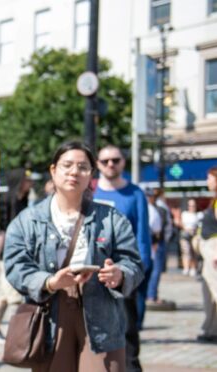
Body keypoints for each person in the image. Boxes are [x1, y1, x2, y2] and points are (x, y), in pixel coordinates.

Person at [4, 141, 144, 372]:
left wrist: (119, 274)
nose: (74, 172)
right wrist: (49, 282)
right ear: (53, 170)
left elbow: (134, 263)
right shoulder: (27, 220)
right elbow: (15, 265)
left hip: (102, 316)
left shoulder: (111, 218)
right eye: (67, 165)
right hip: (51, 314)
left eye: (82, 167)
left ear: (91, 175)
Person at [93, 144, 151, 372]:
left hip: (124, 273)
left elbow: (143, 236)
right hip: (94, 273)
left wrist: (139, 270)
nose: (110, 164)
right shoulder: (91, 192)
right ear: (97, 164)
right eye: (105, 160)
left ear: (123, 162)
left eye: (115, 160)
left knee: (127, 331)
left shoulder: (135, 193)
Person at [0, 168, 33, 340]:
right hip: (5, 253)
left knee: (5, 295)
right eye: (27, 179)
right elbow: (0, 229)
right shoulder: (6, 200)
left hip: (18, 251)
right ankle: (6, 331)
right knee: (12, 295)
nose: (30, 183)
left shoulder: (23, 200)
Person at [198, 166, 217, 343]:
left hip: (214, 250)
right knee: (209, 294)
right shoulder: (214, 200)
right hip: (209, 249)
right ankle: (210, 329)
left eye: (210, 178)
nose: (208, 181)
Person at [180, 199, 202, 276]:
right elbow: (181, 223)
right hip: (185, 235)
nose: (191, 207)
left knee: (194, 253)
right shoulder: (185, 214)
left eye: (193, 205)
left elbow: (200, 226)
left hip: (194, 236)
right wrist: (187, 229)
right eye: (190, 205)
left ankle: (193, 268)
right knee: (186, 252)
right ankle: (186, 268)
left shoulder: (199, 215)